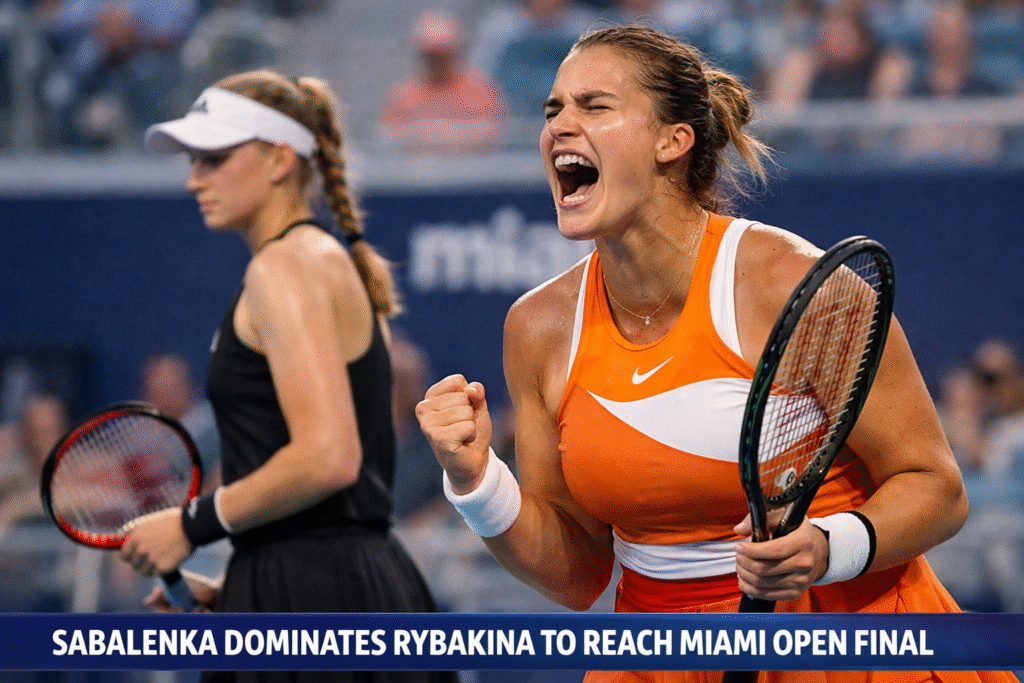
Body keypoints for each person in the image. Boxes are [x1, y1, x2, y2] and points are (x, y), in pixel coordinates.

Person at [415, 24, 1018, 683]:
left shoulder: (791, 284)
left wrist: (827, 545)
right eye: (552, 108)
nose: (560, 124)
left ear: (673, 141)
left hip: (847, 638)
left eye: (594, 105)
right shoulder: (536, 327)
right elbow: (578, 573)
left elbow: (937, 488)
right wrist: (478, 482)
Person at [118, 68, 458, 683]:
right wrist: (244, 587)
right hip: (331, 591)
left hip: (321, 596)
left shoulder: (286, 267)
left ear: (279, 160)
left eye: (215, 158)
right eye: (194, 161)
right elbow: (334, 499)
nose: (195, 178)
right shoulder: (317, 260)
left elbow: (330, 457)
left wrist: (189, 525)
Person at [378, 9, 508, 156]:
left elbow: (492, 135)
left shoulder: (482, 93)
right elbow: (390, 137)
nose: (438, 63)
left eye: (444, 56)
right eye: (432, 57)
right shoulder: (403, 97)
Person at [139, 351, 222, 491]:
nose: (166, 398)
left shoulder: (208, 427)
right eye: (160, 391)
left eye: (172, 388)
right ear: (145, 395)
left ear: (192, 389)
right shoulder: (136, 433)